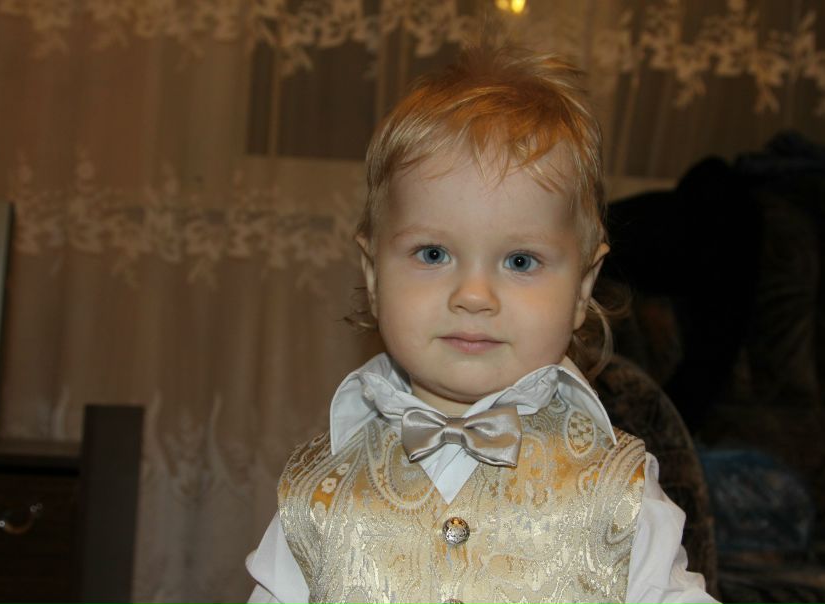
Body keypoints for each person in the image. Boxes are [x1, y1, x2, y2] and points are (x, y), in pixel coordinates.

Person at [246, 45, 719, 604]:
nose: (473, 295)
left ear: (582, 288)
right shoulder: (317, 496)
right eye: (433, 254)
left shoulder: (622, 493)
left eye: (519, 261)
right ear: (373, 275)